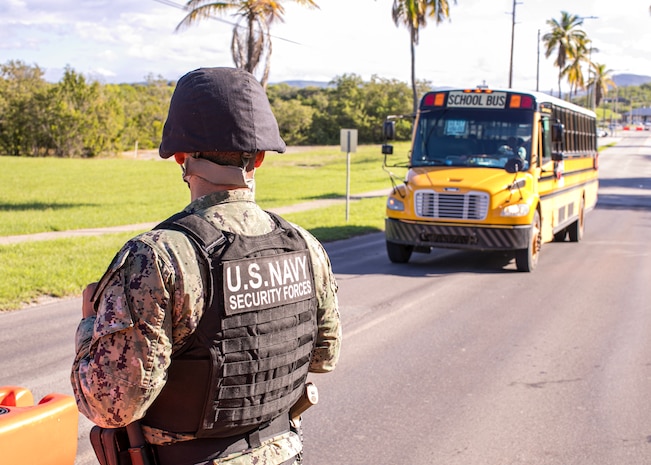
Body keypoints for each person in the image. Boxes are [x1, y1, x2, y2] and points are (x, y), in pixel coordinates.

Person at [71, 67, 342, 465]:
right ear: (260, 159)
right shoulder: (305, 246)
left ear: (181, 157)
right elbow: (324, 357)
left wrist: (89, 327)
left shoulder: (157, 257)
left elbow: (111, 406)